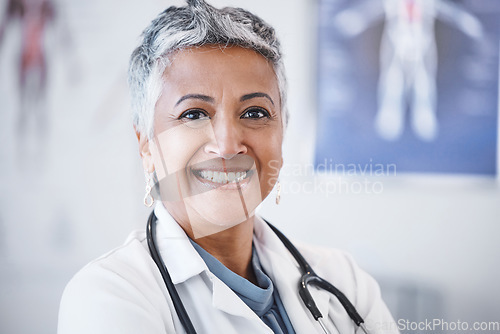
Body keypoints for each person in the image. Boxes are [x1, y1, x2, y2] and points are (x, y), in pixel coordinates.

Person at [58, 1, 399, 333]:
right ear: (146, 145)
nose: (226, 145)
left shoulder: (343, 281)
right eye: (194, 114)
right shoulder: (109, 297)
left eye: (254, 113)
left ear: (283, 131)